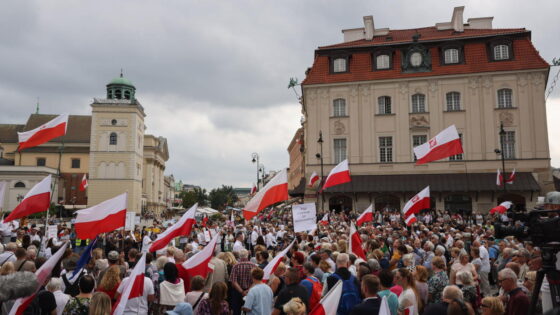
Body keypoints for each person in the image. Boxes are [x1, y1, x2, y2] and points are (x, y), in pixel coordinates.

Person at [229, 249, 255, 315]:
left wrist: (241, 291)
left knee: (236, 310)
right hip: (250, 291)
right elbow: (255, 280)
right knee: (249, 310)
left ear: (239, 256)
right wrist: (248, 290)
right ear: (247, 255)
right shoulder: (253, 265)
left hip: (237, 292)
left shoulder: (236, 266)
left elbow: (233, 281)